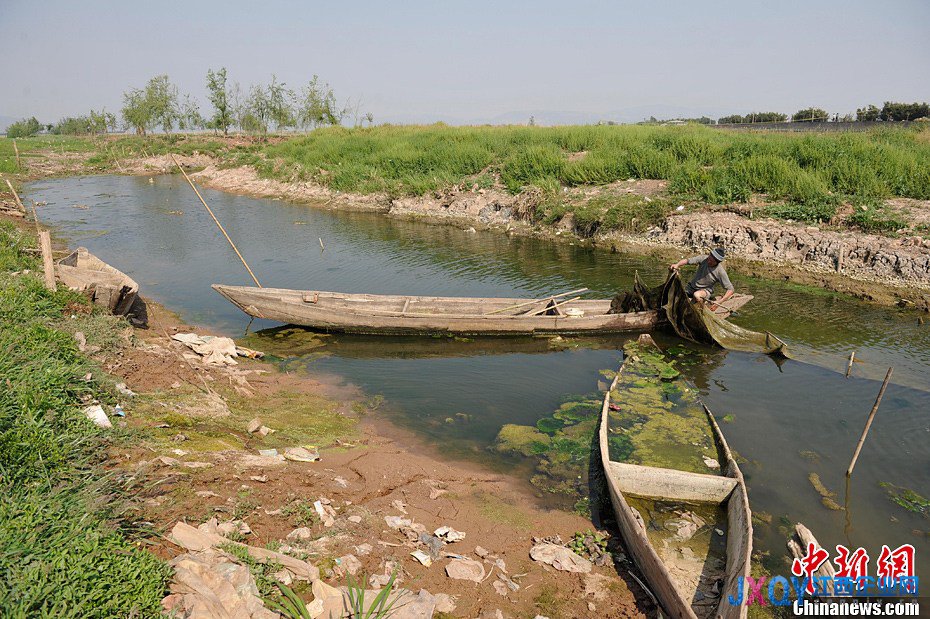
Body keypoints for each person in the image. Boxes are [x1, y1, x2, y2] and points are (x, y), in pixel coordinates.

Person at [669, 247, 734, 310]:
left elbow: (731, 289)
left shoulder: (720, 272)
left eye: (711, 261)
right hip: (691, 287)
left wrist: (719, 302)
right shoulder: (704, 258)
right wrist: (677, 265)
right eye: (709, 257)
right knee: (675, 295)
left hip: (704, 291)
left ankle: (700, 308)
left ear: (717, 262)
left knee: (697, 295)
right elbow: (687, 261)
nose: (709, 260)